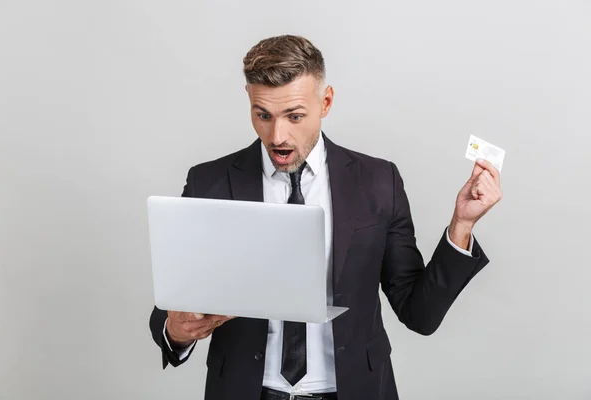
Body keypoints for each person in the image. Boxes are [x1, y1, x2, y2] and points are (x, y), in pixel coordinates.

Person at [149, 34, 502, 400]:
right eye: (263, 115)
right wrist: (175, 330)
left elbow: (420, 314)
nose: (278, 136)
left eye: (295, 116)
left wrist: (462, 225)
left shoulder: (379, 182)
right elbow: (170, 306)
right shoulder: (210, 182)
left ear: (326, 101)